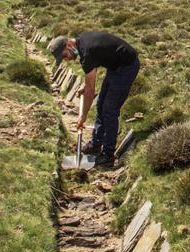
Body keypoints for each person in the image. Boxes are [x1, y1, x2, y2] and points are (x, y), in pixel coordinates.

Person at [48, 31, 140, 167]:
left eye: (65, 56)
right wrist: (85, 85)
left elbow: (90, 92)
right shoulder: (82, 42)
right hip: (115, 67)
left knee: (109, 109)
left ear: (68, 44)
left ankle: (108, 155)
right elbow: (92, 73)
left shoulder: (86, 53)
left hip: (127, 66)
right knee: (101, 104)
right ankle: (96, 144)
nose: (66, 59)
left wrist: (83, 116)